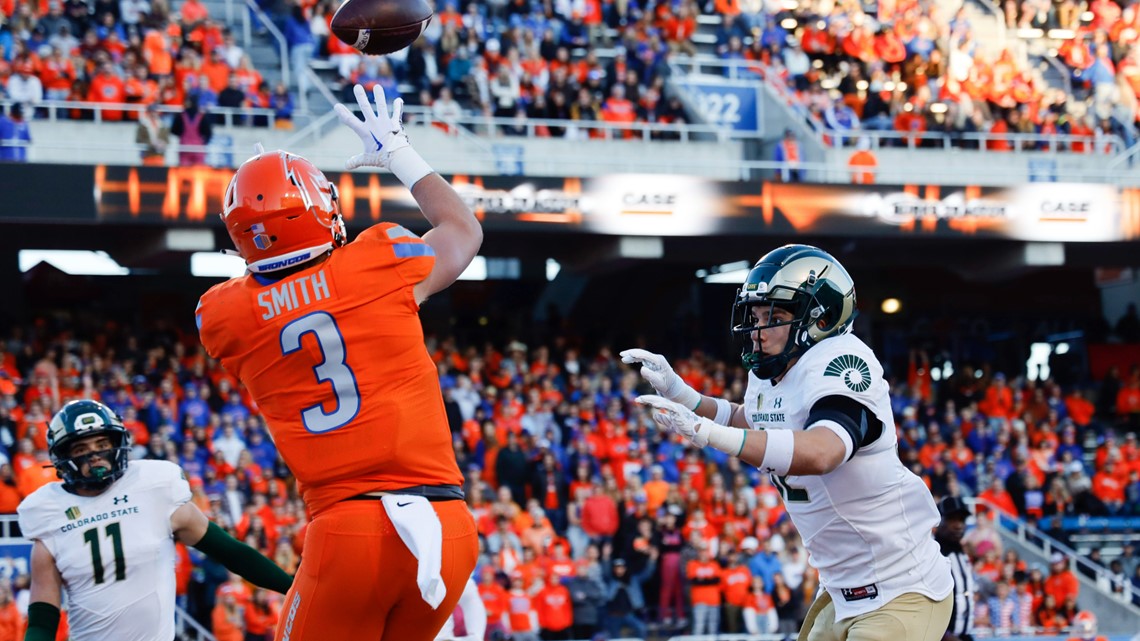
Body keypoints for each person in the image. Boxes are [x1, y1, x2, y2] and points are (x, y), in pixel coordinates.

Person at [195, 84, 483, 640]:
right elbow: (463, 231)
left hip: (350, 531)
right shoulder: (379, 258)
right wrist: (400, 152)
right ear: (322, 208)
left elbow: (268, 293)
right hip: (448, 528)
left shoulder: (224, 315)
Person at [626, 244, 953, 641]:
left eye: (775, 316)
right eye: (758, 314)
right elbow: (757, 422)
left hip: (899, 589)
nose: (759, 327)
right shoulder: (773, 373)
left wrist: (706, 433)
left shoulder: (843, 361)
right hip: (840, 590)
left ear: (822, 318)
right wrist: (685, 396)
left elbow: (822, 452)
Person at [17, 399, 293, 641]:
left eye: (102, 444)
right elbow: (43, 618)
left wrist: (291, 587)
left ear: (118, 444)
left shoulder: (152, 487)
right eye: (81, 450)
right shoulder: (49, 512)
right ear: (64, 458)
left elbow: (231, 552)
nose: (96, 456)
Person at [935, 496, 976, 641]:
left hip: (964, 634)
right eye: (952, 519)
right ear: (939, 521)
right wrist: (945, 634)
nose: (959, 525)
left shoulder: (961, 553)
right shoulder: (933, 553)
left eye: (962, 520)